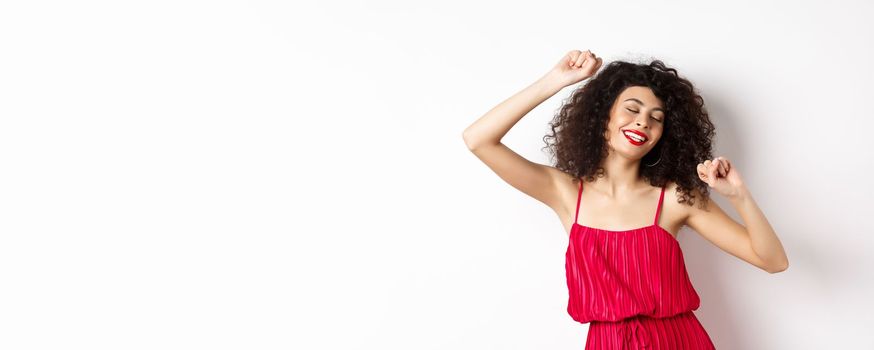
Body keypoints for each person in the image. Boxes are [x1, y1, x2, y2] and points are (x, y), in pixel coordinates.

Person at [461, 49, 789, 349]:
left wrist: (739, 196)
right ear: (602, 116)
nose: (643, 121)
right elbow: (478, 140)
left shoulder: (675, 198)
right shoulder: (564, 193)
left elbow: (773, 261)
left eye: (656, 118)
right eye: (632, 109)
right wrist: (557, 80)